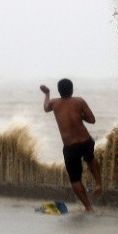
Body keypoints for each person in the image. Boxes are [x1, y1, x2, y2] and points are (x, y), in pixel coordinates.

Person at [40, 78, 103, 212]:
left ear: (59, 91)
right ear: (72, 89)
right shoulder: (79, 101)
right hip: (85, 140)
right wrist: (80, 116)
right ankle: (98, 184)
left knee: (75, 179)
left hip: (70, 146)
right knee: (90, 159)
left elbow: (45, 108)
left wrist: (46, 94)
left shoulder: (54, 103)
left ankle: (89, 207)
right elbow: (92, 120)